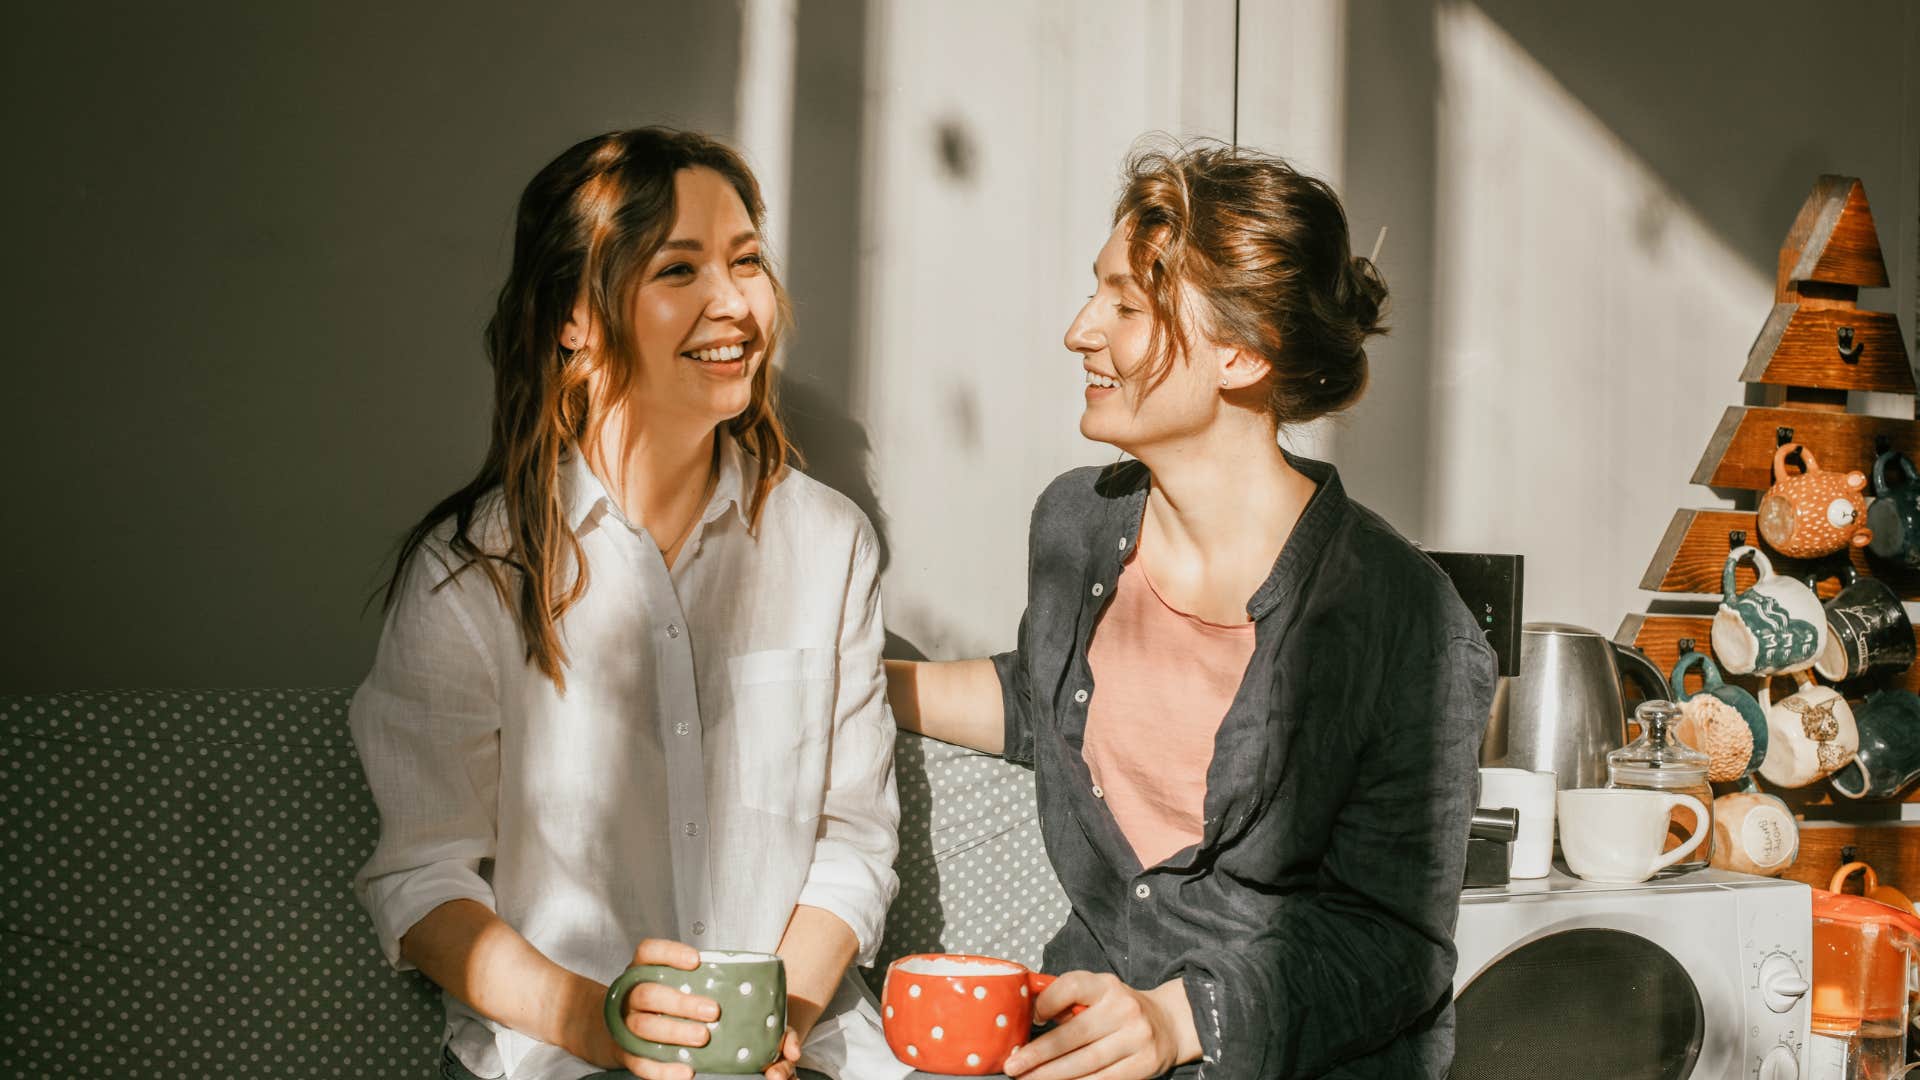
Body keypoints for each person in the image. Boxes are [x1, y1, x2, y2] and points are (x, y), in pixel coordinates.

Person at [885, 142, 1496, 1079]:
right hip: (1076, 1045)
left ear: (1242, 354)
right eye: (1098, 293)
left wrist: (1180, 1021)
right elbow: (1046, 699)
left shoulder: (1408, 621)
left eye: (1127, 306)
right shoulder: (1077, 522)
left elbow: (1398, 948)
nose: (1080, 329)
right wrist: (846, 683)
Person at [350, 128, 905, 1080]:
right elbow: (422, 878)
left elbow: (852, 844)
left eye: (745, 262)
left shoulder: (829, 544)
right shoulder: (470, 574)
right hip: (556, 1059)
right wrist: (596, 1023)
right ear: (574, 315)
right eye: (678, 269)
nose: (735, 303)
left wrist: (777, 1024)